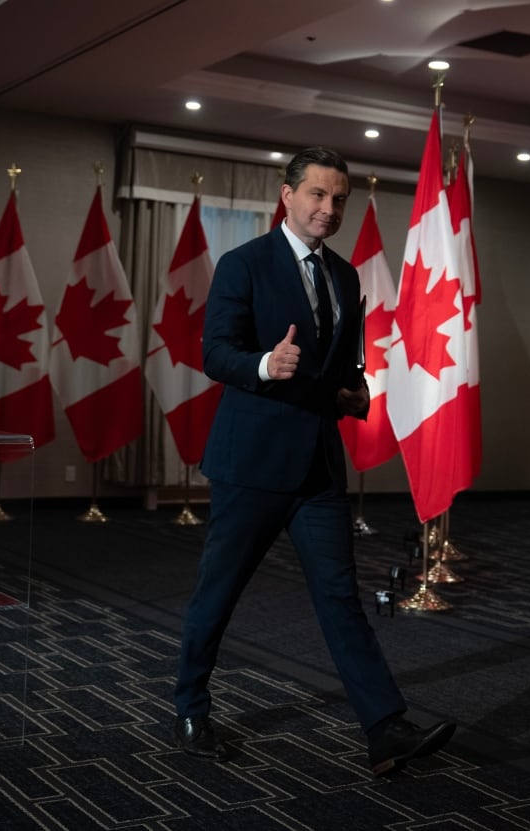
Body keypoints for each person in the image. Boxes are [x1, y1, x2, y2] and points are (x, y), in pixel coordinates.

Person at [172, 146, 455, 775]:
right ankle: (190, 708)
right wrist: (263, 365)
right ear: (287, 194)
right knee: (219, 594)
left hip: (318, 467)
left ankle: (385, 729)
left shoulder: (346, 277)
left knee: (340, 597)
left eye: (338, 200)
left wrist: (354, 395)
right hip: (251, 464)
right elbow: (215, 352)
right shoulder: (242, 264)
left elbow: (340, 365)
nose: (329, 210)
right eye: (318, 196)